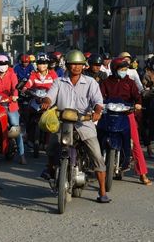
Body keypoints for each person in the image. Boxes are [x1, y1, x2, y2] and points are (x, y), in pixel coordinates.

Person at [40, 50, 110, 203]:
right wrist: (46, 101)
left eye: (79, 64)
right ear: (68, 65)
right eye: (73, 64)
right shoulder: (59, 81)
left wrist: (97, 111)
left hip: (84, 123)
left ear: (83, 66)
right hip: (63, 122)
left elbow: (98, 101)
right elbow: (50, 96)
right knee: (51, 146)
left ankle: (103, 191)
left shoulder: (90, 82)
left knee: (97, 156)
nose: (76, 67)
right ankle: (50, 168)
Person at [100, 57, 152, 186]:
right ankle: (95, 166)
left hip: (126, 114)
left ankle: (142, 173)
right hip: (108, 114)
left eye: (125, 69)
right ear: (114, 69)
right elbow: (100, 97)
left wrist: (138, 104)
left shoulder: (130, 82)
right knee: (98, 136)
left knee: (134, 142)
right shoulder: (106, 82)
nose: (124, 71)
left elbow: (137, 97)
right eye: (121, 69)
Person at [0, 54, 26, 164]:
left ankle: (22, 154)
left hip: (10, 105)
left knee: (15, 127)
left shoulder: (12, 75)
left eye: (5, 63)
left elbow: (15, 88)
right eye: (0, 64)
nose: (2, 66)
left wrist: (14, 96)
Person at [20, 53, 58, 146]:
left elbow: (58, 85)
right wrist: (24, 89)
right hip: (36, 100)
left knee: (54, 119)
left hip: (49, 101)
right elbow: (28, 84)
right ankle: (28, 135)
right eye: (40, 63)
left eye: (44, 63)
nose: (42, 65)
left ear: (48, 64)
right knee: (27, 113)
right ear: (37, 64)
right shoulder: (34, 74)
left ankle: (50, 141)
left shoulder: (53, 74)